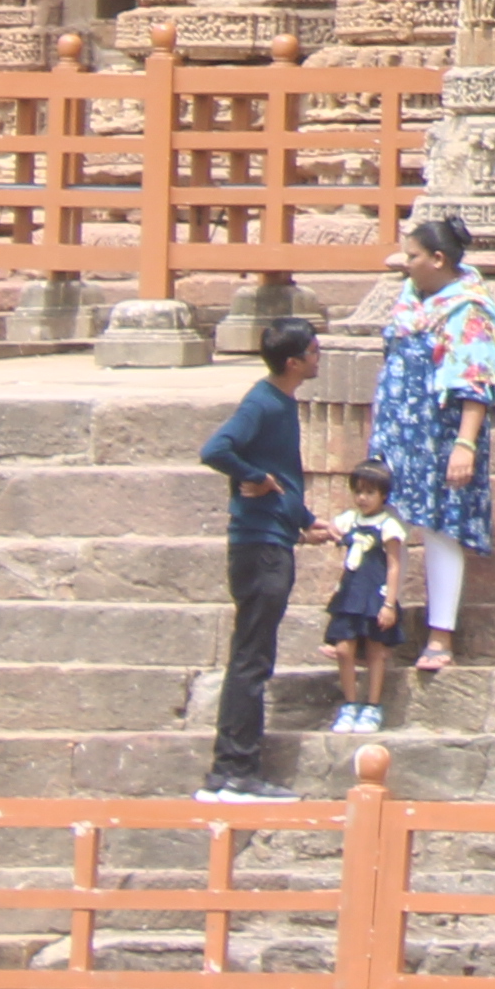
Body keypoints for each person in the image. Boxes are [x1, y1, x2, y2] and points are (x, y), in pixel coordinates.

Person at [368, 211, 495, 672]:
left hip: (441, 436)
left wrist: (465, 445)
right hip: (399, 432)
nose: (403, 264)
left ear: (437, 259)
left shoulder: (468, 309)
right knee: (386, 526)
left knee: (439, 530)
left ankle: (440, 634)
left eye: (412, 256)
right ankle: (374, 626)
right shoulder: (413, 297)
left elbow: (477, 383)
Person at [197, 313, 322, 800]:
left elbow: (280, 476)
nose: (318, 356)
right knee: (252, 660)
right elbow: (216, 449)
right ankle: (235, 771)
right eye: (312, 351)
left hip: (275, 538)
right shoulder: (263, 403)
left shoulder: (281, 402)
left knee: (253, 657)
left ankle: (230, 770)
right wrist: (252, 476)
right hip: (260, 549)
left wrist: (305, 520)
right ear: (293, 362)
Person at [324, 468, 409, 737]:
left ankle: (372, 705)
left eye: (370, 492)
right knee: (343, 649)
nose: (362, 498)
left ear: (383, 495)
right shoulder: (349, 520)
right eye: (358, 491)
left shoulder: (388, 526)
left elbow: (394, 565)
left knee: (376, 650)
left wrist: (389, 603)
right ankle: (349, 703)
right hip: (351, 594)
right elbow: (329, 529)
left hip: (375, 594)